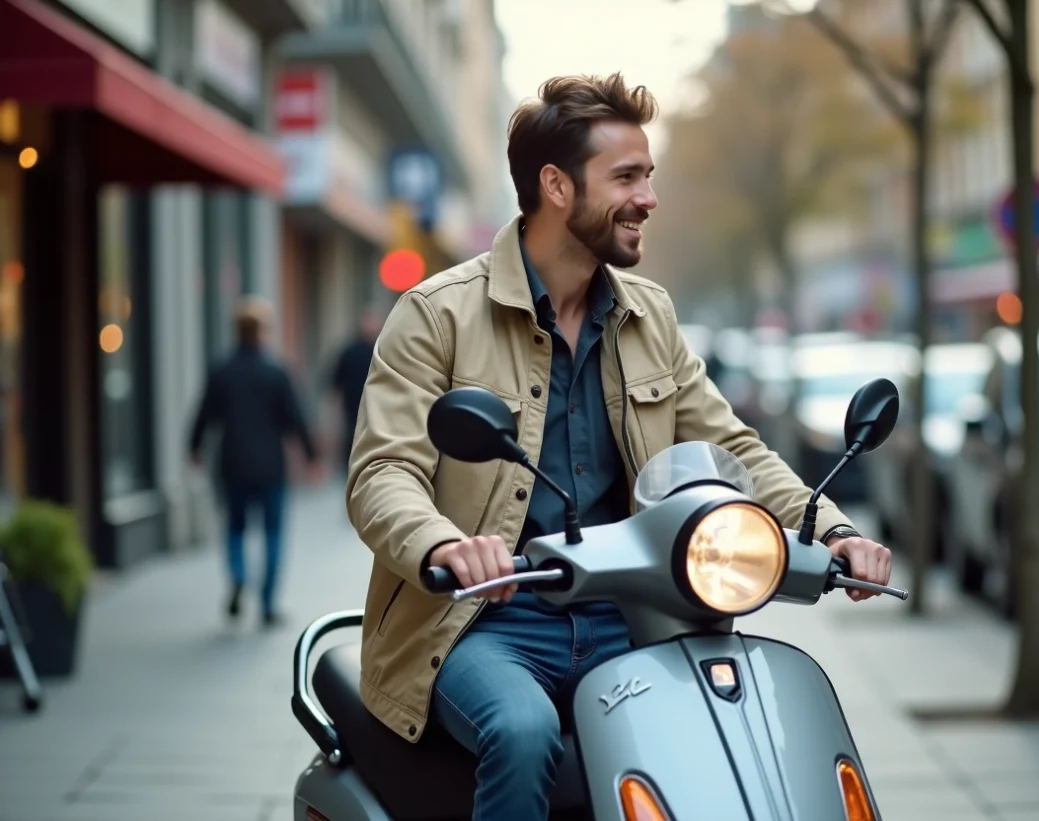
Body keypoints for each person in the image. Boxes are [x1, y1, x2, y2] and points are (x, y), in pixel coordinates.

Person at [346, 73, 894, 820]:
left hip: (630, 613)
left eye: (650, 175)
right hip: (483, 621)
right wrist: (445, 545)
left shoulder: (648, 314)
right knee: (523, 728)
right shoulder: (436, 315)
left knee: (725, 731)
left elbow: (730, 441)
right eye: (626, 176)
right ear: (556, 187)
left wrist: (832, 527)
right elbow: (383, 473)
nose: (648, 197)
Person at [189, 296, 322, 627]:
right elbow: (296, 418)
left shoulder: (222, 371)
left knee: (234, 528)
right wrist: (311, 456)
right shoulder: (276, 372)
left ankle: (238, 577)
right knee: (273, 532)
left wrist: (194, 447)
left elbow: (205, 414)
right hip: (270, 466)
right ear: (263, 331)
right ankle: (267, 604)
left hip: (232, 463)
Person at [329, 310, 382, 473]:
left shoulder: (381, 350)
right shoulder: (350, 352)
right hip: (354, 411)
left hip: (377, 410)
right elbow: (335, 383)